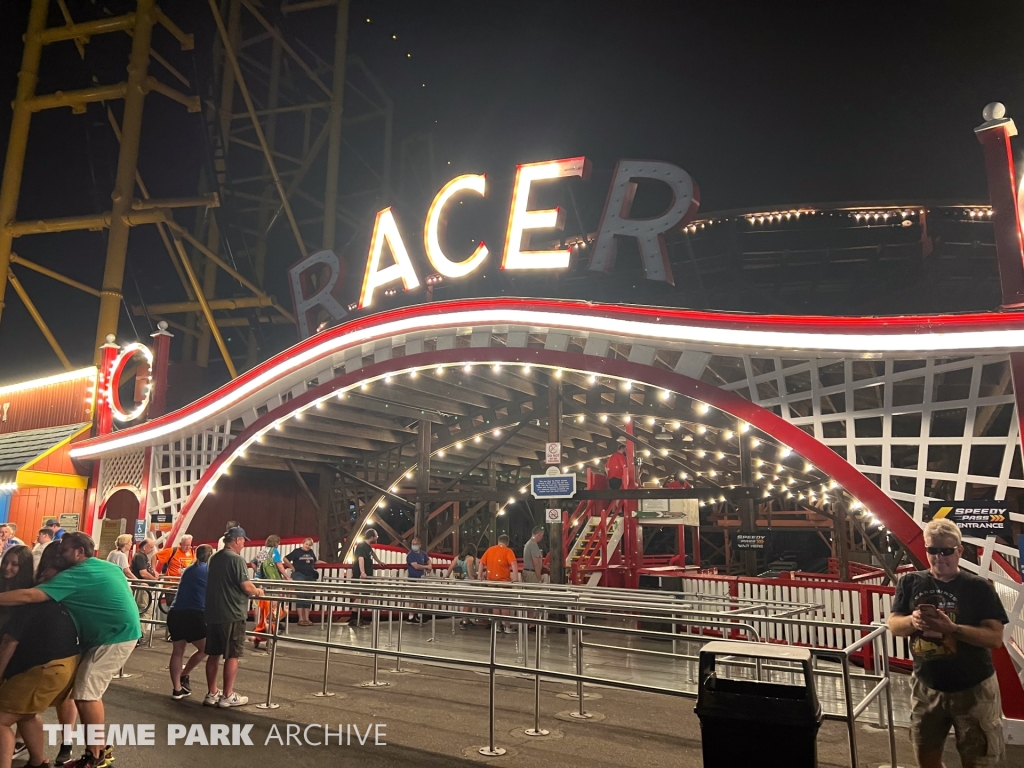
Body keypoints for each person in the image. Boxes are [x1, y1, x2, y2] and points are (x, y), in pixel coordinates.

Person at [0, 532, 141, 768]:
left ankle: (96, 756)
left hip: (113, 637)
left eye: (64, 549)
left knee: (86, 694)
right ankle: (95, 752)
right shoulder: (106, 567)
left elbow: (30, 596)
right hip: (118, 632)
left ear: (79, 552)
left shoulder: (76, 575)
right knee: (82, 693)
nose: (60, 553)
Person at [888, 519, 1009, 768]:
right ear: (926, 549)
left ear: (959, 551)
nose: (939, 557)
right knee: (925, 756)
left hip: (974, 688)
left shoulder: (978, 587)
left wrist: (952, 629)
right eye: (932, 550)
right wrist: (914, 620)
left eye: (946, 551)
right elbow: (894, 625)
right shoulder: (910, 582)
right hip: (926, 686)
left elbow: (995, 638)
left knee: (980, 760)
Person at [0, 570, 79, 768]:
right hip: (63, 666)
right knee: (26, 714)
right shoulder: (62, 603)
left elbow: (10, 642)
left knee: (1, 719)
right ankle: (38, 761)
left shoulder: (29, 603)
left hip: (44, 668)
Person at [205, 527, 262, 709]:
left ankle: (212, 692)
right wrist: (258, 591)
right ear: (237, 540)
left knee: (213, 654)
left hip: (214, 612)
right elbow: (246, 586)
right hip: (232, 612)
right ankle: (228, 695)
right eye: (243, 541)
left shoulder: (214, 558)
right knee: (232, 654)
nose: (244, 544)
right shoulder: (236, 560)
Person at [167, 545, 212, 700]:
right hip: (194, 613)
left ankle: (177, 689)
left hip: (175, 612)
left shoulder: (190, 568)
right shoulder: (207, 570)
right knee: (207, 648)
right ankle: (184, 674)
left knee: (178, 651)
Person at [251, 535, 291, 648]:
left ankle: (257, 627)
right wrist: (286, 577)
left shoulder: (261, 552)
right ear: (277, 543)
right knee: (273, 609)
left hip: (260, 582)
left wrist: (258, 572)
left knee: (259, 605)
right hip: (272, 583)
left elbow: (253, 562)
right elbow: (279, 565)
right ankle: (270, 631)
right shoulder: (274, 551)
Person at [478, 534, 519, 634]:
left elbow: (481, 563)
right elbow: (513, 563)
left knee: (495, 605)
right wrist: (516, 577)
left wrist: (480, 575)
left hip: (491, 582)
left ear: (498, 541)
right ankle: (507, 626)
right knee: (505, 605)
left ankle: (497, 626)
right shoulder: (508, 551)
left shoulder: (490, 550)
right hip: (503, 582)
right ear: (507, 542)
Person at [348, 529, 384, 627]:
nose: (377, 538)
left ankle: (358, 617)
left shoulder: (368, 547)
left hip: (366, 575)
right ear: (371, 537)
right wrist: (362, 572)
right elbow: (360, 558)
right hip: (361, 576)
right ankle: (353, 617)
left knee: (363, 596)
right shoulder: (362, 546)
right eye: (376, 536)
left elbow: (372, 553)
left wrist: (379, 561)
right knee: (359, 596)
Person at [285, 538, 319, 626]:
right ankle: (300, 618)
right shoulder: (296, 551)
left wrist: (324, 563)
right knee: (300, 594)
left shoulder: (311, 552)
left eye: (309, 545)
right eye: (306, 544)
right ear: (303, 543)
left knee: (308, 595)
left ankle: (307, 618)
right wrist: (292, 567)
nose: (307, 546)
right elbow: (285, 558)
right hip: (299, 574)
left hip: (309, 575)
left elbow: (315, 561)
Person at [130, 538, 158, 628]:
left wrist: (154, 572)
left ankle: (138, 633)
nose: (152, 549)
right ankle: (140, 633)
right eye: (151, 547)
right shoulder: (140, 556)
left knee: (143, 610)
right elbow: (143, 573)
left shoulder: (142, 556)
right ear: (144, 547)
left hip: (144, 588)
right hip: (142, 589)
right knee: (145, 610)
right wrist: (154, 579)